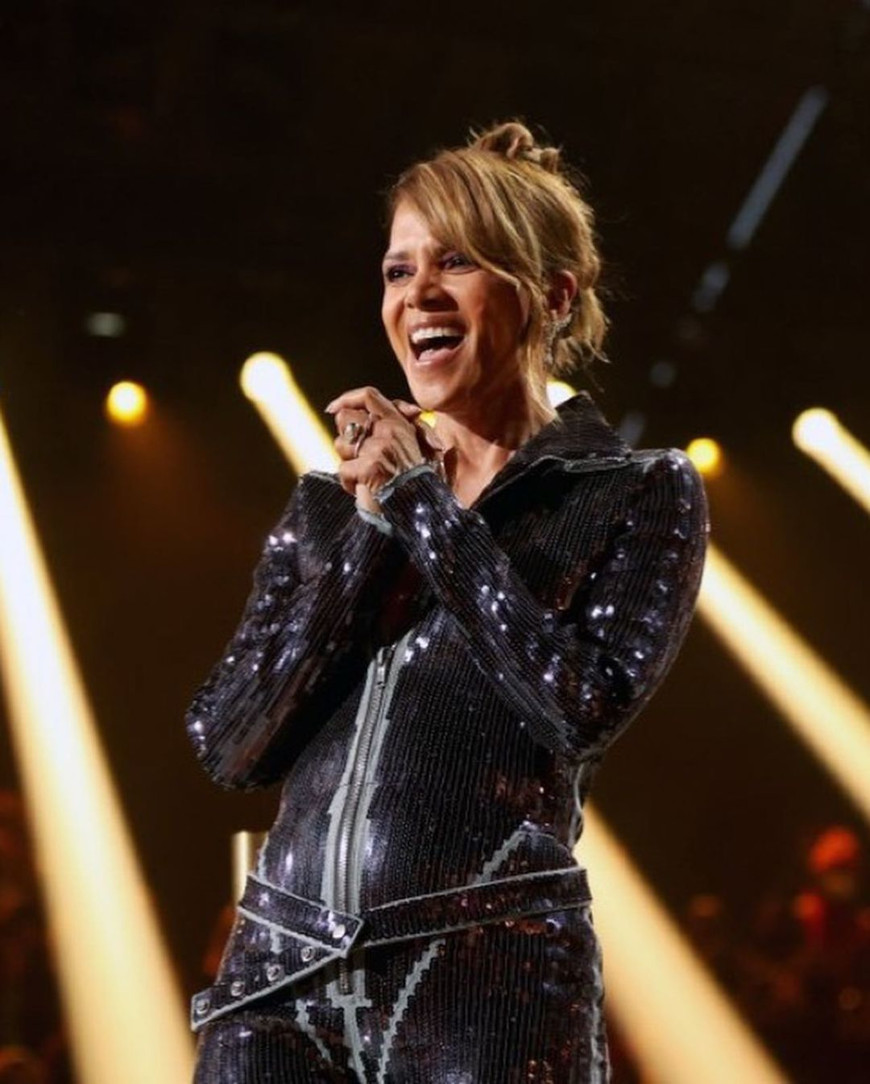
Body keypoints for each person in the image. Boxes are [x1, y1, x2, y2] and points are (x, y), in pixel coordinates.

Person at [186, 121, 709, 1083]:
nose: (418, 294)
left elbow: (576, 706)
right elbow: (230, 743)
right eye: (399, 270)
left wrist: (422, 505)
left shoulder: (632, 491)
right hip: (276, 985)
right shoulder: (330, 505)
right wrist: (374, 525)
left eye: (457, 262)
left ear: (553, 294)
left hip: (484, 979)